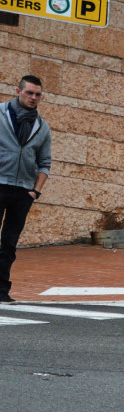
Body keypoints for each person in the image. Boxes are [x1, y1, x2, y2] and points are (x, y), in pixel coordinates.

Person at [0, 75, 51, 303]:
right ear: (18, 91)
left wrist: (35, 191)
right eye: (29, 92)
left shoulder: (42, 127)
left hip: (22, 192)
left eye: (37, 94)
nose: (33, 97)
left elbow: (45, 163)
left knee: (9, 243)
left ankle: (1, 291)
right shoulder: (1, 115)